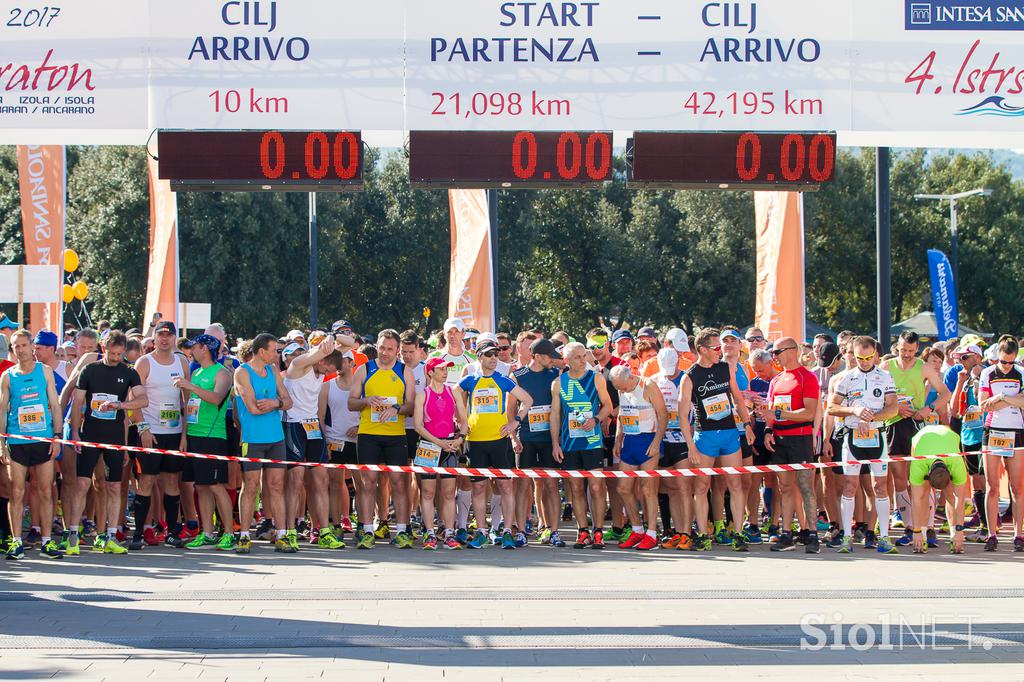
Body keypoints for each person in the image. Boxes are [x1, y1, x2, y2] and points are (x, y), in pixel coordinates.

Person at [68, 331, 148, 555]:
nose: (115, 358)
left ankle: (111, 535)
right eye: (112, 353)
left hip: (114, 436)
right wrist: (75, 432)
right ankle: (73, 535)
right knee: (82, 484)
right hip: (90, 434)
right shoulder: (90, 370)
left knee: (114, 486)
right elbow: (78, 403)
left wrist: (120, 406)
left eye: (120, 354)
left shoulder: (128, 373)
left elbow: (143, 400)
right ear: (103, 348)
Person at [677, 328, 755, 552]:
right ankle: (702, 534)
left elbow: (738, 399)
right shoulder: (690, 376)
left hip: (730, 432)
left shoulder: (724, 368)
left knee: (736, 484)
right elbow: (683, 416)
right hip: (705, 436)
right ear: (703, 350)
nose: (721, 351)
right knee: (701, 486)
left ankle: (738, 533)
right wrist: (690, 445)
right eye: (716, 348)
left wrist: (747, 424)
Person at [456, 338, 534, 550]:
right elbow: (454, 392)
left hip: (499, 441)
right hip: (476, 441)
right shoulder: (470, 379)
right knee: (479, 488)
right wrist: (463, 421)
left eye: (496, 354)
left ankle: (507, 531)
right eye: (489, 355)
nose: (493, 358)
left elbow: (527, 400)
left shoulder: (503, 379)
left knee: (505, 487)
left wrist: (514, 423)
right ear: (479, 357)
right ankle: (481, 531)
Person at [827, 336, 899, 554]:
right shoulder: (847, 378)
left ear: (876, 355)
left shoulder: (885, 376)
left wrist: (871, 418)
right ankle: (847, 537)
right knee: (850, 486)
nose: (865, 362)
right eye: (860, 358)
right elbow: (831, 407)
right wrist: (854, 410)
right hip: (852, 437)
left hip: (876, 436)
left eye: (869, 358)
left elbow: (893, 407)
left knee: (880, 487)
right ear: (853, 355)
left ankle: (884, 537)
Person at [349, 329, 417, 549]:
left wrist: (396, 409)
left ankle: (402, 531)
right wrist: (366, 400)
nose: (385, 352)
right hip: (368, 434)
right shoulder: (364, 369)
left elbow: (411, 406)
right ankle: (367, 530)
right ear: (376, 346)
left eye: (390, 349)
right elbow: (351, 403)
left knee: (399, 484)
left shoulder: (404, 371)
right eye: (382, 348)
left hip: (396, 436)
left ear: (398, 350)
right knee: (367, 483)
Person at [0, 330, 63, 559]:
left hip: (43, 439)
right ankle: (16, 543)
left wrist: (56, 436)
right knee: (16, 492)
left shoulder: (44, 371)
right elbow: (2, 410)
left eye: (24, 345)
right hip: (17, 441)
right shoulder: (8, 376)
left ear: (31, 347)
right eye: (16, 346)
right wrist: (1, 441)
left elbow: (55, 406)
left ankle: (47, 542)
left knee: (45, 490)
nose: (21, 350)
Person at [128, 320, 190, 550]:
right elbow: (134, 399)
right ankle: (139, 532)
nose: (164, 338)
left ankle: (172, 531)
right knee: (146, 481)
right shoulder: (144, 363)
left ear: (174, 338)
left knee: (172, 481)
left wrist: (184, 434)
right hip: (150, 431)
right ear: (154, 338)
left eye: (168, 335)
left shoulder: (182, 361)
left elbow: (186, 399)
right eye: (160, 334)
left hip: (173, 431)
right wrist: (142, 428)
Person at [884, 331, 949, 547]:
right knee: (900, 480)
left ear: (917, 350)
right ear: (897, 347)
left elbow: (945, 394)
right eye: (903, 350)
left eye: (911, 351)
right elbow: (877, 397)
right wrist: (894, 408)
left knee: (921, 479)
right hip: (893, 425)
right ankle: (911, 528)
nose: (906, 355)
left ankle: (929, 528)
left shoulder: (923, 367)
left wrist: (927, 408)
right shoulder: (887, 367)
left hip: (915, 425)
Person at [283, 334, 346, 550]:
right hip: (294, 425)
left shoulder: (322, 369)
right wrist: (325, 344)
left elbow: (347, 346)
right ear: (321, 360)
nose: (328, 375)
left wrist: (332, 338)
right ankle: (290, 531)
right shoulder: (298, 365)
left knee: (321, 479)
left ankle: (324, 531)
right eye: (328, 370)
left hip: (313, 427)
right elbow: (313, 355)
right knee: (296, 479)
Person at [174, 335, 236, 551]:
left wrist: (190, 385)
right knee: (201, 486)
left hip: (213, 436)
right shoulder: (197, 372)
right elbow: (189, 405)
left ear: (205, 348)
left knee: (216, 486)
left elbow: (216, 398)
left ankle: (229, 532)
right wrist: (184, 436)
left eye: (195, 347)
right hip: (194, 435)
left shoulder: (222, 373)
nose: (192, 351)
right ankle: (207, 532)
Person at [760, 336, 821, 553]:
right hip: (779, 438)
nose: (774, 357)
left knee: (805, 486)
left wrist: (778, 413)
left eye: (777, 352)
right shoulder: (776, 380)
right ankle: (787, 533)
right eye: (773, 353)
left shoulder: (807, 377)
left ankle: (812, 534)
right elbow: (770, 408)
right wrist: (768, 429)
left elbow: (809, 412)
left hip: (800, 438)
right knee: (784, 487)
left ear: (792, 351)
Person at [550, 342, 614, 549]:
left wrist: (595, 419)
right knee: (576, 488)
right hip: (570, 443)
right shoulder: (559, 383)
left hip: (592, 441)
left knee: (596, 487)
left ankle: (598, 531)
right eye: (577, 357)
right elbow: (555, 415)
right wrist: (555, 443)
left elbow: (608, 406)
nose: (582, 360)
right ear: (567, 361)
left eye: (583, 356)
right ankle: (583, 530)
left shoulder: (595, 377)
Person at [233, 333, 293, 553]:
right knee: (250, 486)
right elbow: (252, 408)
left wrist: (274, 403)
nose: (277, 354)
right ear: (261, 352)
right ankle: (244, 536)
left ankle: (283, 534)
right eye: (274, 350)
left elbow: (288, 401)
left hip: (275, 437)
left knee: (277, 486)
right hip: (253, 438)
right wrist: (275, 404)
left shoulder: (273, 371)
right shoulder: (242, 372)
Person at [510, 339, 563, 546]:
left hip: (549, 438)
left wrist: (557, 440)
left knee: (551, 484)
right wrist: (513, 437)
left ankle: (554, 531)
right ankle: (522, 531)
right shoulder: (518, 375)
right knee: (523, 484)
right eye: (550, 356)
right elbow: (511, 408)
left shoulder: (555, 375)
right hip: (527, 438)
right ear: (538, 357)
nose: (553, 360)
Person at [412, 356, 468, 550]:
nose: (445, 372)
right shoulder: (422, 395)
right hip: (428, 446)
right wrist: (439, 443)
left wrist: (460, 438)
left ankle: (449, 532)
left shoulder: (453, 392)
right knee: (427, 492)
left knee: (448, 493)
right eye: (441, 369)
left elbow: (463, 419)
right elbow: (418, 426)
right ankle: (429, 532)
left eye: (447, 369)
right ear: (430, 372)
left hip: (450, 446)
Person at [977, 335, 1024, 552]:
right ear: (997, 357)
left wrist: (1000, 397)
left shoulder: (1021, 373)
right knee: (992, 487)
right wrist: (1010, 400)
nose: (1007, 367)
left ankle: (1018, 534)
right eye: (1003, 362)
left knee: (1017, 487)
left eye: (1011, 362)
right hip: (993, 431)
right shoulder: (987, 373)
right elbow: (983, 406)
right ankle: (992, 534)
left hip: (1016, 432)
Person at [652, 348, 693, 550]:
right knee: (671, 489)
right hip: (663, 438)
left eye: (672, 368)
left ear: (679, 362)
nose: (668, 373)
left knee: (685, 487)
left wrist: (692, 440)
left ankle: (687, 532)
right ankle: (678, 532)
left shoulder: (687, 378)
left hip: (682, 437)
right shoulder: (653, 380)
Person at [909, 426, 970, 554]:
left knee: (951, 495)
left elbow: (960, 500)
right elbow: (916, 500)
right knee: (923, 493)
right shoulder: (918, 465)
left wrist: (959, 531)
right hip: (921, 439)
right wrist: (917, 531)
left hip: (949, 437)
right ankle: (923, 536)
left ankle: (954, 535)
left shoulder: (956, 463)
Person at [319, 350, 360, 537]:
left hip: (359, 441)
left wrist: (360, 427)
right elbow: (320, 417)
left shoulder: (362, 385)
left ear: (351, 363)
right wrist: (325, 441)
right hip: (335, 441)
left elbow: (371, 411)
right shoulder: (326, 387)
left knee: (363, 486)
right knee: (335, 484)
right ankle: (336, 525)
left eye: (341, 361)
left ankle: (363, 524)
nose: (337, 365)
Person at [430, 318, 475, 385]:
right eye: (449, 332)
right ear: (444, 334)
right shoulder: (434, 357)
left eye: (457, 331)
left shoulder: (473, 359)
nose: (452, 336)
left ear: (463, 334)